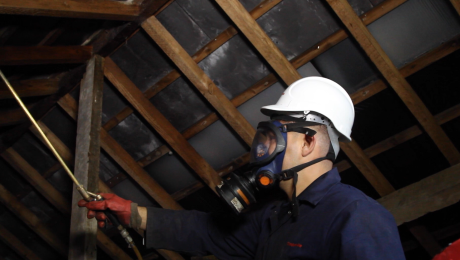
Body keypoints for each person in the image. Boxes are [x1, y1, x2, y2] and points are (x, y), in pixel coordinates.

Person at [79, 77, 406, 259]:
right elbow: (207, 232)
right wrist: (133, 214)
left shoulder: (355, 214)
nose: (264, 148)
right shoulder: (275, 219)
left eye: (276, 134)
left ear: (308, 142)